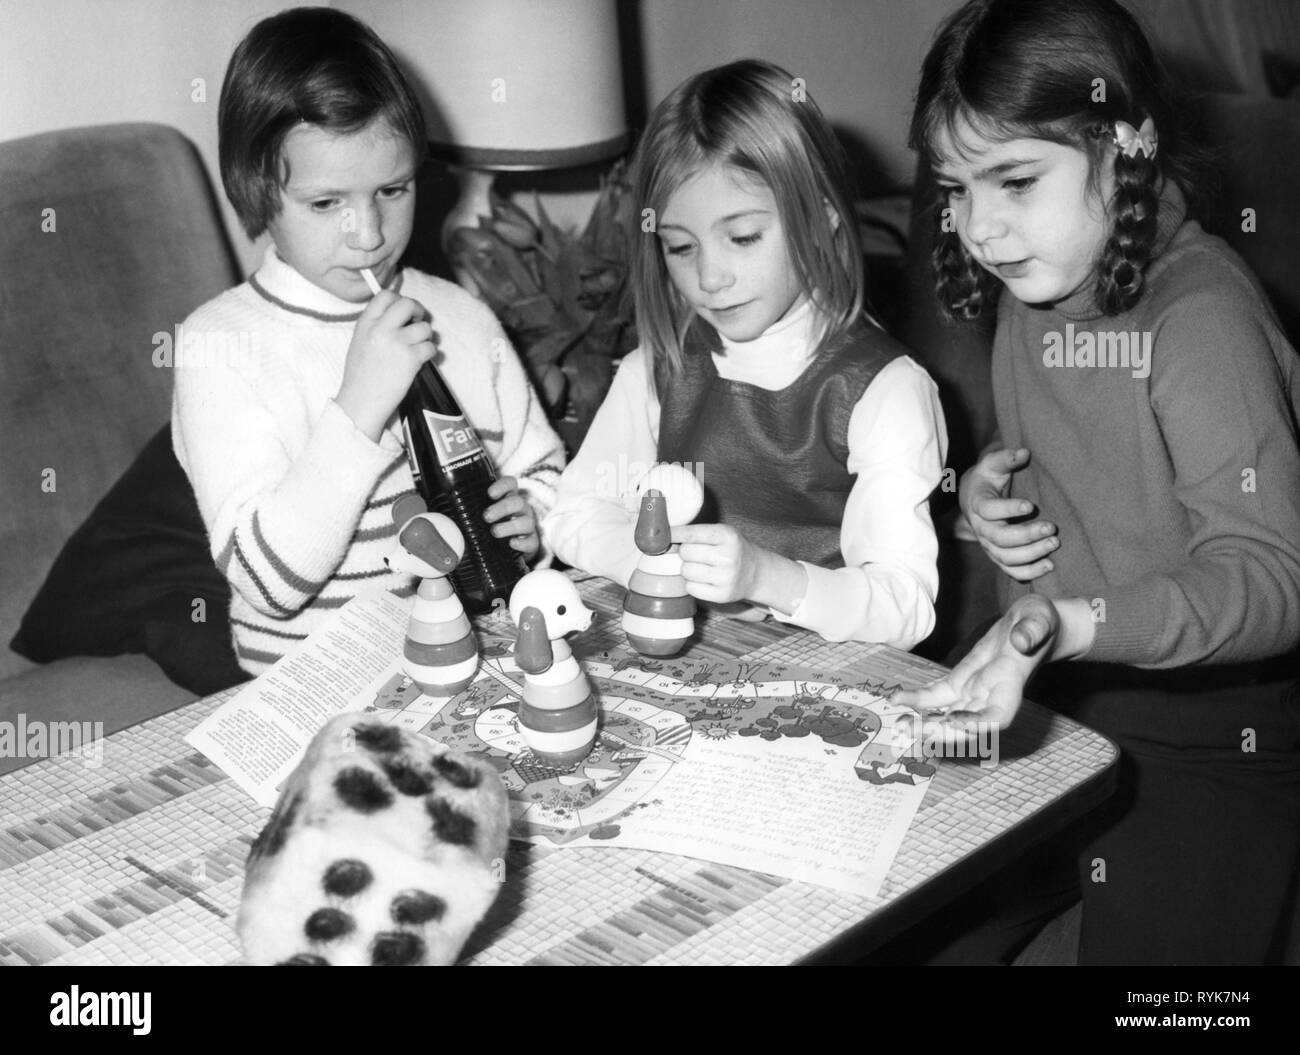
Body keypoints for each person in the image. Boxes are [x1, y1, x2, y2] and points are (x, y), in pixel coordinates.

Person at [894, 0, 1300, 964]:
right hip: (1047, 707)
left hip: (1206, 743)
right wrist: (988, 503)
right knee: (896, 918)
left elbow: (1276, 576)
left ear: (1128, 146)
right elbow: (1078, 461)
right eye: (956, 189)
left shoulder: (1202, 321)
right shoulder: (1040, 280)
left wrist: (1073, 620)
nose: (980, 229)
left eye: (1016, 180)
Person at [172, 8, 563, 675]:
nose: (369, 232)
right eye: (327, 203)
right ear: (257, 190)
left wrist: (534, 514)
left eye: (392, 189)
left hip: (483, 661)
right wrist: (357, 410)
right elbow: (269, 584)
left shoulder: (462, 317)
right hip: (315, 697)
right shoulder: (219, 346)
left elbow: (543, 469)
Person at [542, 60, 948, 648]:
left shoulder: (884, 390)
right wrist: (653, 570)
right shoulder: (656, 371)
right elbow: (572, 515)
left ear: (822, 221)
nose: (710, 277)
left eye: (744, 237)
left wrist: (765, 577)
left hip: (824, 685)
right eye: (680, 247)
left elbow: (905, 609)